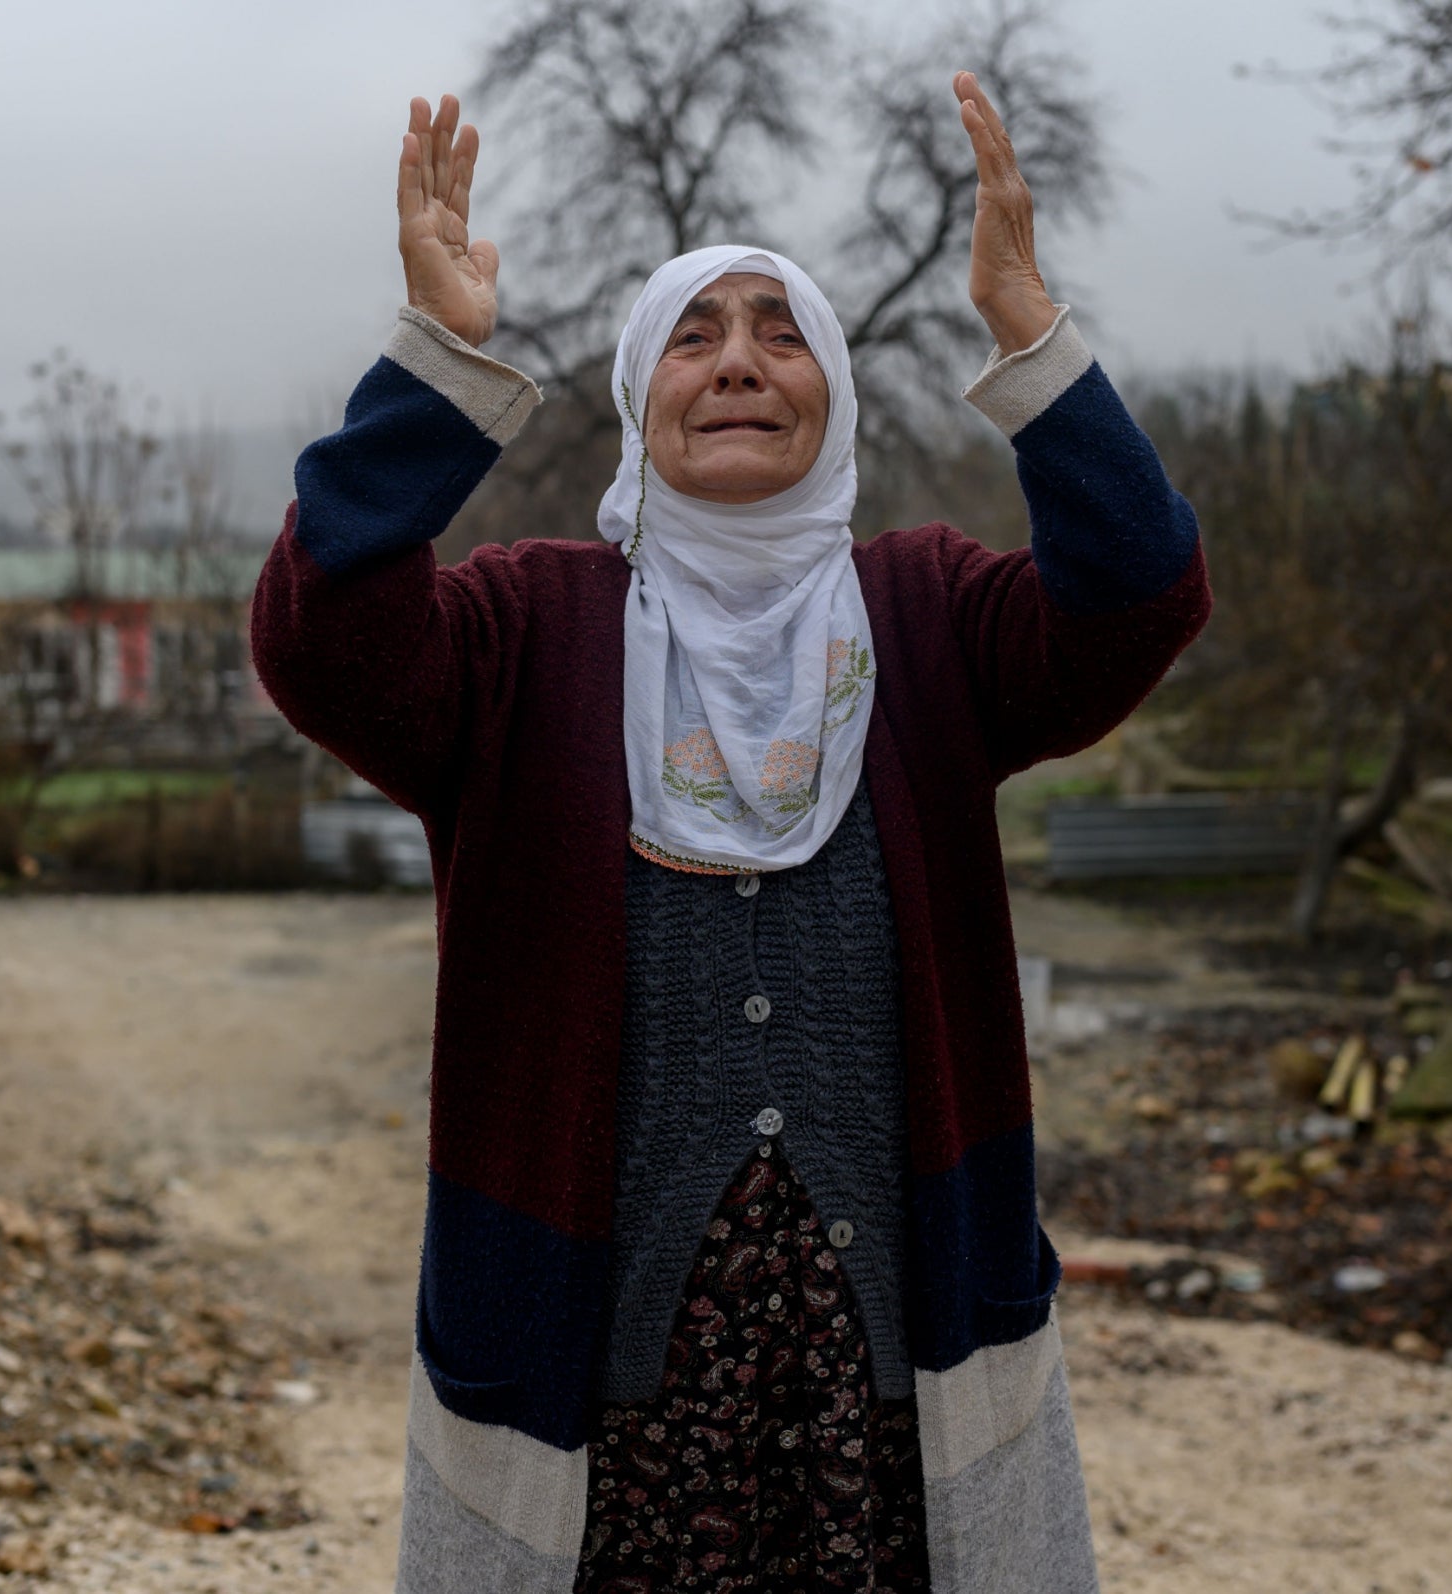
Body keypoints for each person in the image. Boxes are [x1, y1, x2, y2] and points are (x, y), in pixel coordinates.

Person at [252, 73, 1210, 1594]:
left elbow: (1139, 597)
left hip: (890, 1394)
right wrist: (434, 368)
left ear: (830, 389)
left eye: (781, 333)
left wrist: (1032, 338)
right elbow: (324, 642)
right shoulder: (525, 635)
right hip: (597, 1394)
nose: (739, 364)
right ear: (643, 403)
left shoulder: (928, 616)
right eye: (693, 338)